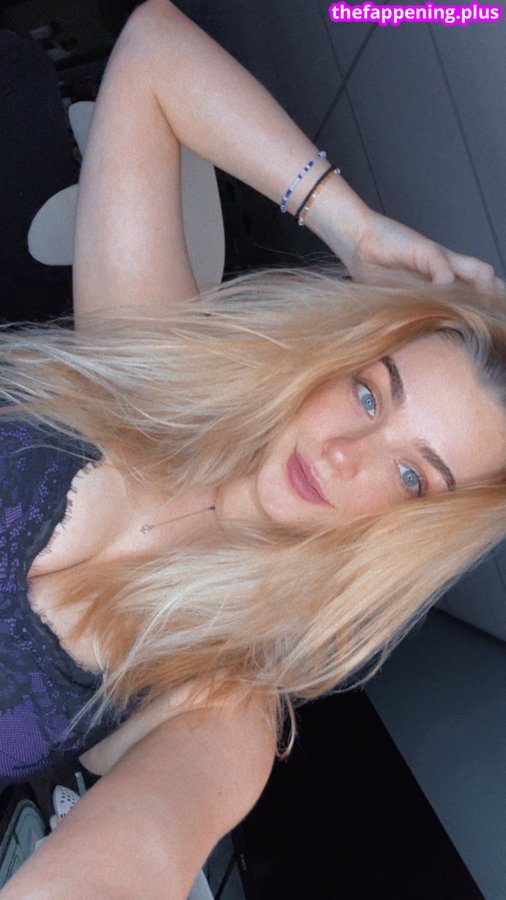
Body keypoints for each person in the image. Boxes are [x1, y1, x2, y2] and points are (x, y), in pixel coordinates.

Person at [1, 0, 505, 896]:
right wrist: (353, 228)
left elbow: (139, 853)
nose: (345, 452)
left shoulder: (222, 703)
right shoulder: (152, 364)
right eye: (369, 392)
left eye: (409, 475)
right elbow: (153, 49)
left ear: (412, 535)